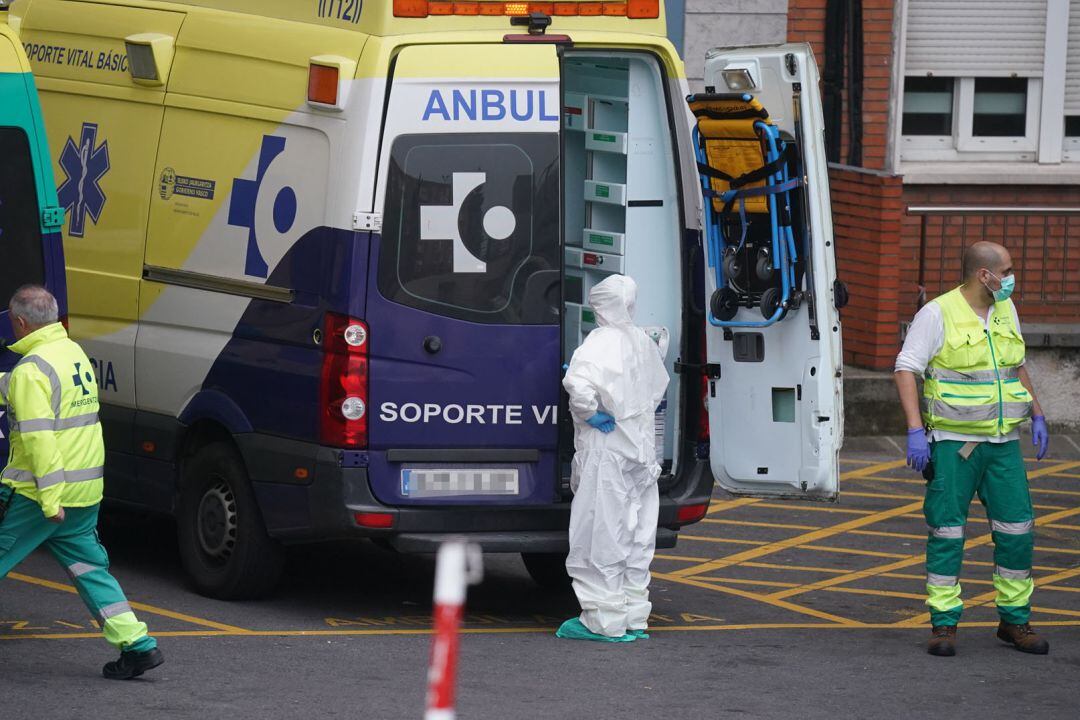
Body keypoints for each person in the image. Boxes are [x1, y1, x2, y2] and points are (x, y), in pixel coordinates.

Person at [895, 242, 1050, 657]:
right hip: (954, 445)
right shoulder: (938, 313)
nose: (1012, 278)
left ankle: (1014, 621)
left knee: (1017, 532)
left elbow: (1014, 366)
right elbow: (906, 368)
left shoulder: (1005, 311)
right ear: (985, 275)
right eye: (1008, 270)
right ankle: (944, 626)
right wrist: (914, 431)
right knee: (947, 533)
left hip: (1002, 444)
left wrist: (1036, 413)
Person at [0, 285, 163, 679]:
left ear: (20, 322)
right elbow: (44, 400)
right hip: (85, 490)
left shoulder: (32, 369)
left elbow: (40, 439)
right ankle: (137, 645)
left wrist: (49, 499)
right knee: (90, 569)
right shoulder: (71, 354)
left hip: (38, 494)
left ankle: (138, 645)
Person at [557, 274, 670, 643]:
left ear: (601, 306)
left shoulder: (599, 342)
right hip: (639, 449)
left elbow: (578, 385)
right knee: (637, 534)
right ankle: (635, 616)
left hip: (607, 450)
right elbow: (657, 386)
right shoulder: (642, 340)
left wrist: (589, 413)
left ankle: (603, 621)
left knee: (600, 532)